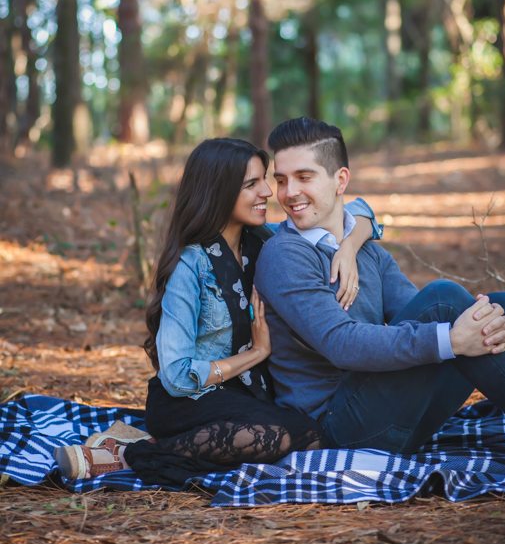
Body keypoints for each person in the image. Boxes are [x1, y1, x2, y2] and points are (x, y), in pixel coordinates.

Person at [54, 138, 382, 482]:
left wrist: (348, 248)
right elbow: (177, 375)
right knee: (301, 435)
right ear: (219, 192)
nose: (268, 191)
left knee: (304, 432)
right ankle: (128, 456)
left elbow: (361, 211)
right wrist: (256, 354)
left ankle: (147, 444)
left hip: (248, 396)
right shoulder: (190, 265)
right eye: (251, 184)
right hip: (188, 400)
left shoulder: (267, 242)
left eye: (264, 179)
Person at [255, 117, 505, 454]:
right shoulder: (284, 254)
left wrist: (471, 328)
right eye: (281, 180)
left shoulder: (366, 250)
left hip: (393, 411)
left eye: (304, 177)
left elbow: (415, 309)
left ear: (340, 180)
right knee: (445, 300)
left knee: (502, 307)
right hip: (338, 426)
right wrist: (451, 339)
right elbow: (340, 343)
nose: (288, 193)